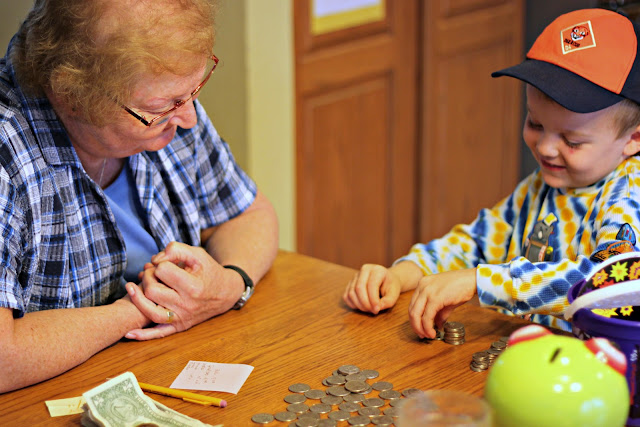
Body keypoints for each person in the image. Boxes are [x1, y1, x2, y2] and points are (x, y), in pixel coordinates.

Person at [0, 0, 279, 393]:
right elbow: (4, 357)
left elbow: (249, 214)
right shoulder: (7, 153)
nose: (190, 118)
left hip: (165, 367)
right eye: (162, 107)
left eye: (193, 90)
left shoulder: (169, 111)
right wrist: (142, 309)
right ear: (72, 95)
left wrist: (230, 284)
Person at [343, 8, 640, 340]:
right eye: (535, 123)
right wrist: (402, 274)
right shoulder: (540, 186)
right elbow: (477, 242)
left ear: (634, 139)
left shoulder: (628, 198)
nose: (545, 148)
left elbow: (607, 280)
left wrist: (480, 282)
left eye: (572, 141)